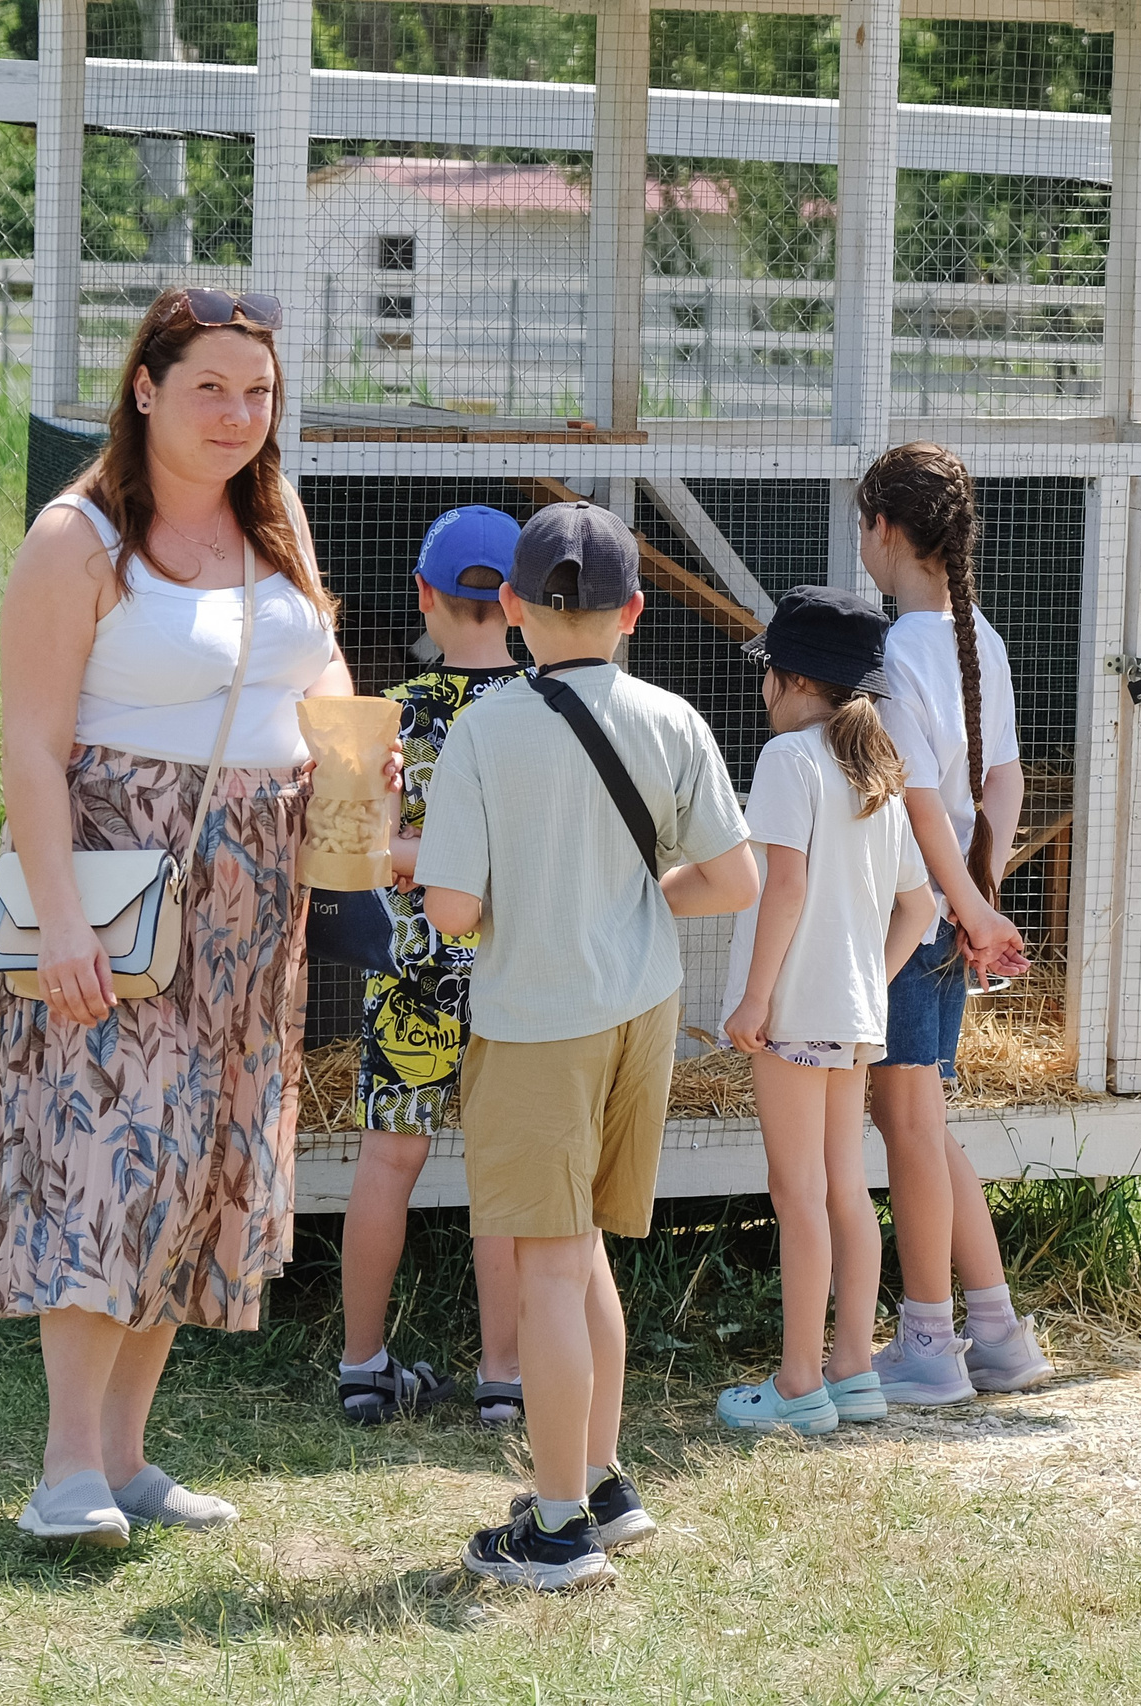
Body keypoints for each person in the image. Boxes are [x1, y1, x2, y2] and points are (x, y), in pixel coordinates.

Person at [0, 287, 361, 1547]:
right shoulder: (77, 538)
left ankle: (131, 1458)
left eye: (257, 393)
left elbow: (321, 668)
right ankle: (64, 1469)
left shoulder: (277, 522)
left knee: (196, 1169)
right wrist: (62, 922)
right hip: (118, 880)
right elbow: (32, 750)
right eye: (210, 386)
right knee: (106, 1156)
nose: (238, 415)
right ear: (145, 386)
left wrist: (358, 757)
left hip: (259, 898)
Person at [417, 501, 758, 1591]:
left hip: (535, 1020)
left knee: (549, 1264)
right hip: (641, 1008)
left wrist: (415, 865)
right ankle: (602, 1480)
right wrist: (645, 891)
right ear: (635, 613)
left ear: (512, 608)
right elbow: (734, 879)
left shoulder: (483, 730)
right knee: (589, 1249)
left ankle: (557, 1527)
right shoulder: (672, 716)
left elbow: (456, 910)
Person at [855, 442, 1056, 1406]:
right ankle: (998, 1334)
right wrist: (979, 887)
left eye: (865, 527)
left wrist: (965, 901)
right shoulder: (979, 633)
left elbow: (921, 794)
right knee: (923, 1123)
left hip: (917, 913)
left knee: (909, 1128)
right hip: (952, 905)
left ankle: (930, 1342)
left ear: (885, 533)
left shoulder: (899, 649)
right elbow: (1004, 780)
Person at [714, 587, 937, 1436]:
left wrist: (757, 996)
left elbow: (787, 885)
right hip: (852, 1015)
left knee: (797, 1190)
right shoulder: (873, 767)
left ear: (788, 677)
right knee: (846, 1188)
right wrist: (869, 980)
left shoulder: (787, 762)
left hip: (796, 1011)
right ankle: (853, 1371)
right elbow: (917, 908)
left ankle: (799, 1383)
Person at [336, 506, 526, 1428]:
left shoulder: (395, 716)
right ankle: (504, 1380)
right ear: (522, 601)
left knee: (386, 1159)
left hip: (410, 968)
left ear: (424, 596)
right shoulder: (550, 706)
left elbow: (356, 847)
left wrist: (413, 853)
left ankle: (362, 1366)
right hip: (521, 970)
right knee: (505, 1175)